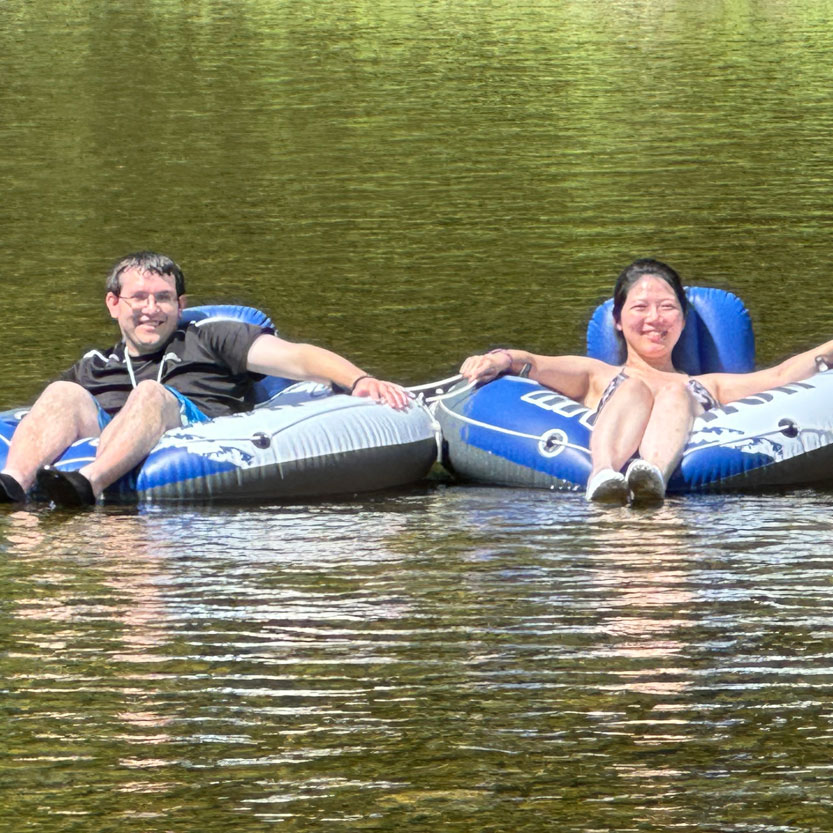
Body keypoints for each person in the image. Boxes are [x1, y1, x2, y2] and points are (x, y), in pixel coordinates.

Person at [0, 251, 411, 507]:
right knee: (60, 392)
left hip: (195, 428)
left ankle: (89, 483)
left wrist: (358, 380)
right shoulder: (96, 363)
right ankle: (14, 484)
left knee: (150, 393)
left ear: (180, 305)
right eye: (138, 298)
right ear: (114, 304)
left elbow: (298, 358)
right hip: (110, 427)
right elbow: (39, 418)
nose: (151, 309)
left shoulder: (212, 337)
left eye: (163, 298)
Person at [460, 258, 833, 505]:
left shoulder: (710, 385)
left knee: (675, 390)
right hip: (612, 441)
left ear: (683, 321)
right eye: (640, 308)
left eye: (667, 307)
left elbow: (783, 376)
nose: (655, 318)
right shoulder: (596, 375)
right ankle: (603, 475)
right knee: (634, 386)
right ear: (619, 321)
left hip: (674, 496)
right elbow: (533, 364)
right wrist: (496, 359)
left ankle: (653, 474)